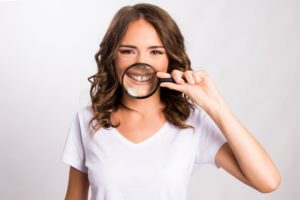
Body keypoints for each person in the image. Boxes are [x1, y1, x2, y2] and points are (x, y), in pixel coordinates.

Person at [61, 3, 281, 200]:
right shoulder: (88, 119)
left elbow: (267, 182)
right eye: (128, 51)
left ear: (170, 59)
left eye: (155, 52)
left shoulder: (192, 123)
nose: (141, 62)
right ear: (112, 57)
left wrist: (216, 106)